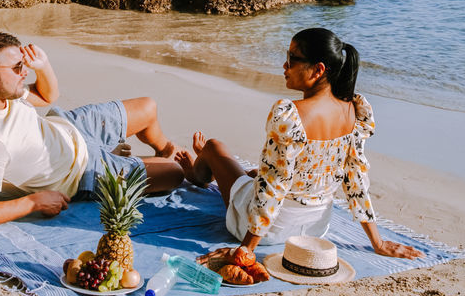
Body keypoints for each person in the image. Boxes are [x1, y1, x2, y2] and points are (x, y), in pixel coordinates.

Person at [176, 27, 421, 261]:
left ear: (318, 70)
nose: (285, 65)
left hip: (270, 231)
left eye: (292, 59)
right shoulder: (354, 111)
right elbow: (355, 179)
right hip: (315, 230)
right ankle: (218, 167)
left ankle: (199, 170)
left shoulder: (290, 115)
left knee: (215, 147)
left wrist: (247, 249)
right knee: (255, 174)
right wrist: (377, 242)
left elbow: (274, 186)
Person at [0, 30, 184, 227]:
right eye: (18, 67)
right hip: (80, 172)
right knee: (175, 173)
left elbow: (48, 96)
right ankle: (134, 160)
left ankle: (160, 152)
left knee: (148, 107)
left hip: (69, 127)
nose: (24, 72)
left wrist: (43, 65)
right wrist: (35, 201)